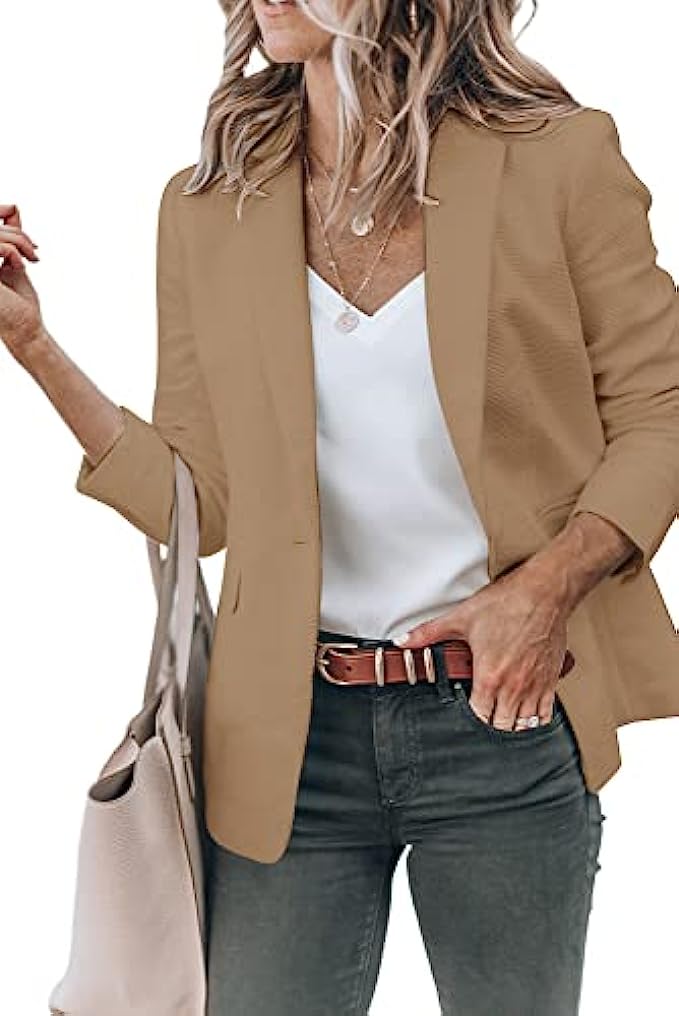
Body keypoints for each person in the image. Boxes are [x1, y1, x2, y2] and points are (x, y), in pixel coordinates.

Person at [2, 1, 678, 1013]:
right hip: (287, 735)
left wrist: (546, 590)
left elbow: (660, 411)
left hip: (502, 710)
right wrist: (33, 346)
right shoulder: (208, 205)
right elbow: (201, 502)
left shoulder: (556, 160)